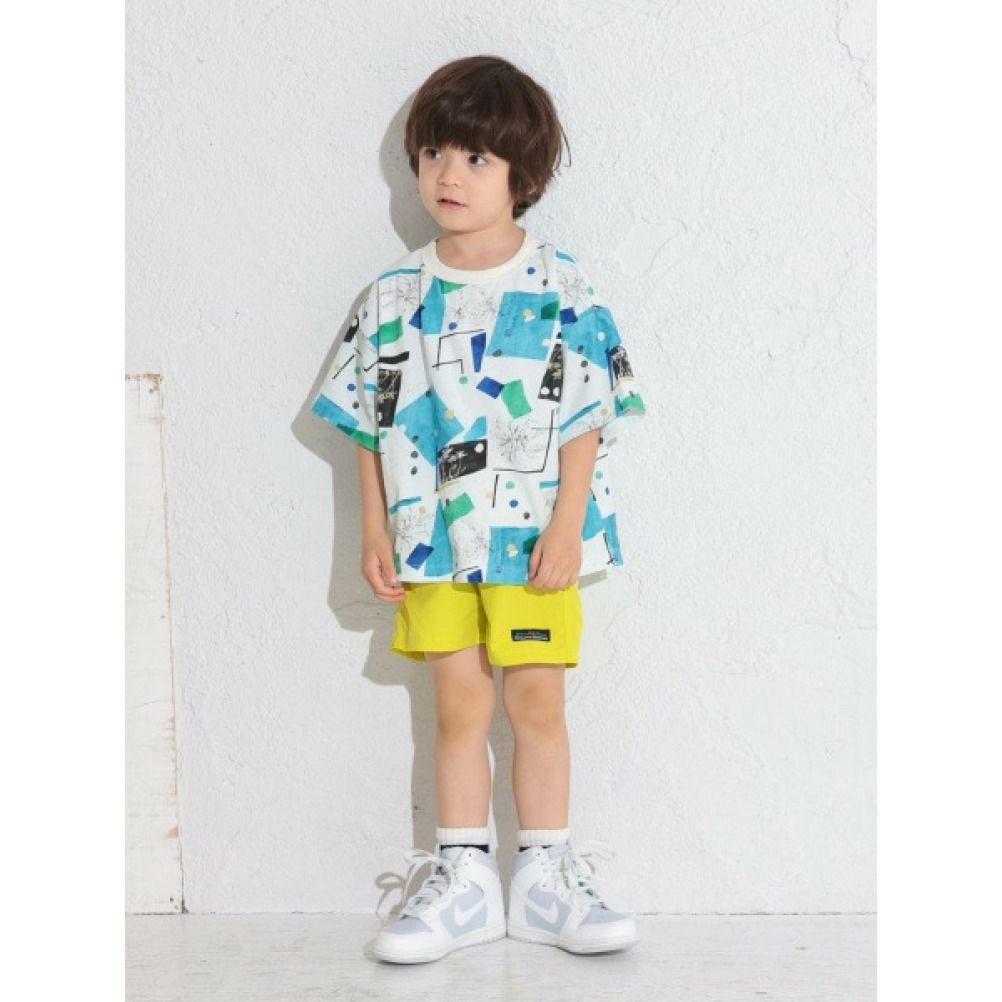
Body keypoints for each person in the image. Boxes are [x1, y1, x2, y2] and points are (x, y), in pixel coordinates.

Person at [310, 55, 647, 964]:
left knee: (537, 700)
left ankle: (545, 880)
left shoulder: (563, 285)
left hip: (536, 542)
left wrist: (568, 526)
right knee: (457, 705)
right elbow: (369, 423)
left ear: (521, 174)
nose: (449, 175)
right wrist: (375, 528)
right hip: (430, 542)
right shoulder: (392, 296)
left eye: (476, 158)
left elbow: (588, 414)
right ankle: (462, 882)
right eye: (434, 153)